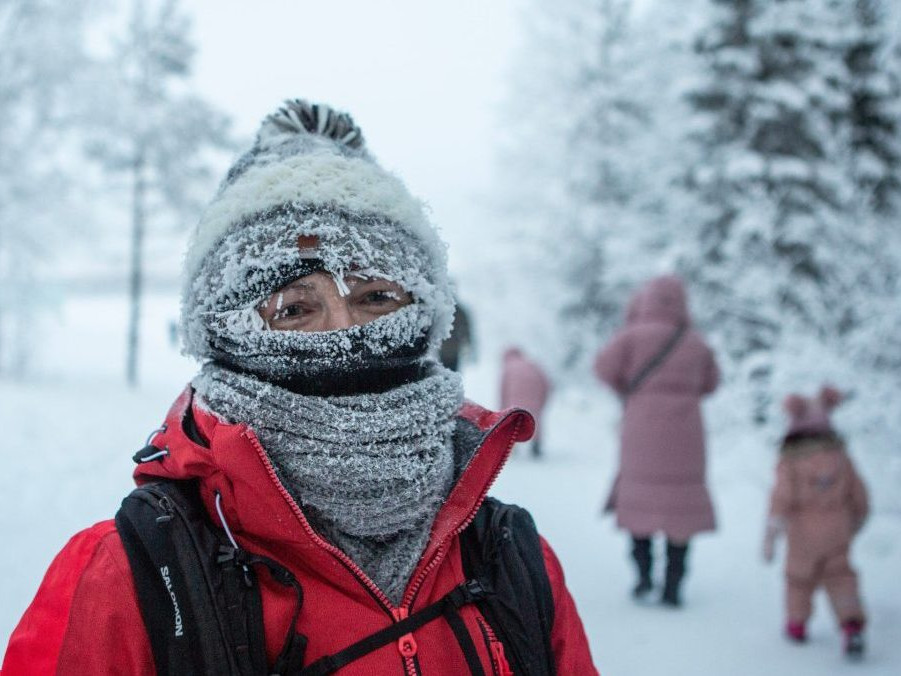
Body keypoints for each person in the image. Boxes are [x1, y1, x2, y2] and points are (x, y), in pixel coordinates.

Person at [2, 99, 596, 675]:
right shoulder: (127, 578)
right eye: (293, 309)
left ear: (424, 315)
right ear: (227, 334)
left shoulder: (512, 560)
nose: (344, 333)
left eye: (376, 297)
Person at [593, 274, 719, 607]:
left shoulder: (631, 336)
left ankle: (643, 577)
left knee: (639, 501)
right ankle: (673, 585)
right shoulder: (695, 341)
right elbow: (712, 382)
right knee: (681, 510)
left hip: (641, 427)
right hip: (687, 433)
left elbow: (602, 368)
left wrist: (628, 388)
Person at [762, 385, 869, 659]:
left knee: (798, 579)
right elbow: (859, 493)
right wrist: (857, 519)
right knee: (841, 577)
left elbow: (782, 497)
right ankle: (851, 623)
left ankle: (797, 625)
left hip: (802, 534)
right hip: (838, 530)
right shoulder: (840, 457)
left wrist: (772, 532)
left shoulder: (791, 460)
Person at [499, 346, 552, 458]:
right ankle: (536, 445)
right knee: (535, 419)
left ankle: (511, 445)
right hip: (534, 395)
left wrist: (502, 408)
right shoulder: (533, 365)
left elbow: (503, 389)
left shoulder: (508, 367)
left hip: (514, 397)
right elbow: (546, 383)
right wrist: (543, 401)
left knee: (513, 420)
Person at [438, 298, 473, 371]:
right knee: (448, 371)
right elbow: (466, 329)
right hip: (450, 349)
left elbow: (465, 328)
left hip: (448, 349)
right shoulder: (459, 311)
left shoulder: (443, 308)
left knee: (443, 371)